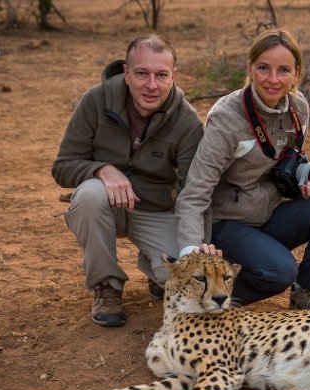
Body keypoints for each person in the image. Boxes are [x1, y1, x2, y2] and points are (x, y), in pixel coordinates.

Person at [175, 29, 310, 310]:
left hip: (269, 214)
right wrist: (191, 253)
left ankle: (307, 292)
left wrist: (303, 184)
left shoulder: (298, 109)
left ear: (296, 74)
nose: (273, 79)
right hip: (228, 224)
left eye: (284, 70)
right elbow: (195, 191)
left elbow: (287, 163)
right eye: (263, 68)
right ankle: (206, 300)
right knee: (279, 271)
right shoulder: (227, 118)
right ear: (249, 69)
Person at [52, 34, 203, 327]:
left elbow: (193, 192)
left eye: (161, 75)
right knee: (89, 196)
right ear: (126, 72)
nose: (151, 85)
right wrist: (102, 170)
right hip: (106, 206)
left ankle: (155, 268)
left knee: (185, 289)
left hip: (156, 210)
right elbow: (62, 167)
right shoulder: (96, 101)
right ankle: (106, 285)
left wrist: (191, 250)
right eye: (141, 73)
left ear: (174, 76)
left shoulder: (187, 121)